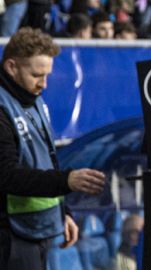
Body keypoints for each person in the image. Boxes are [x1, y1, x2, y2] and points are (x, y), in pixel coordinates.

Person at [0, 27, 106, 270]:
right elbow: (6, 175)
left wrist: (62, 212)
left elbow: (46, 159)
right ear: (11, 67)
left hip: (41, 226)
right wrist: (66, 180)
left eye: (47, 75)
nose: (44, 84)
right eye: (37, 75)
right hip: (10, 234)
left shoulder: (33, 97)